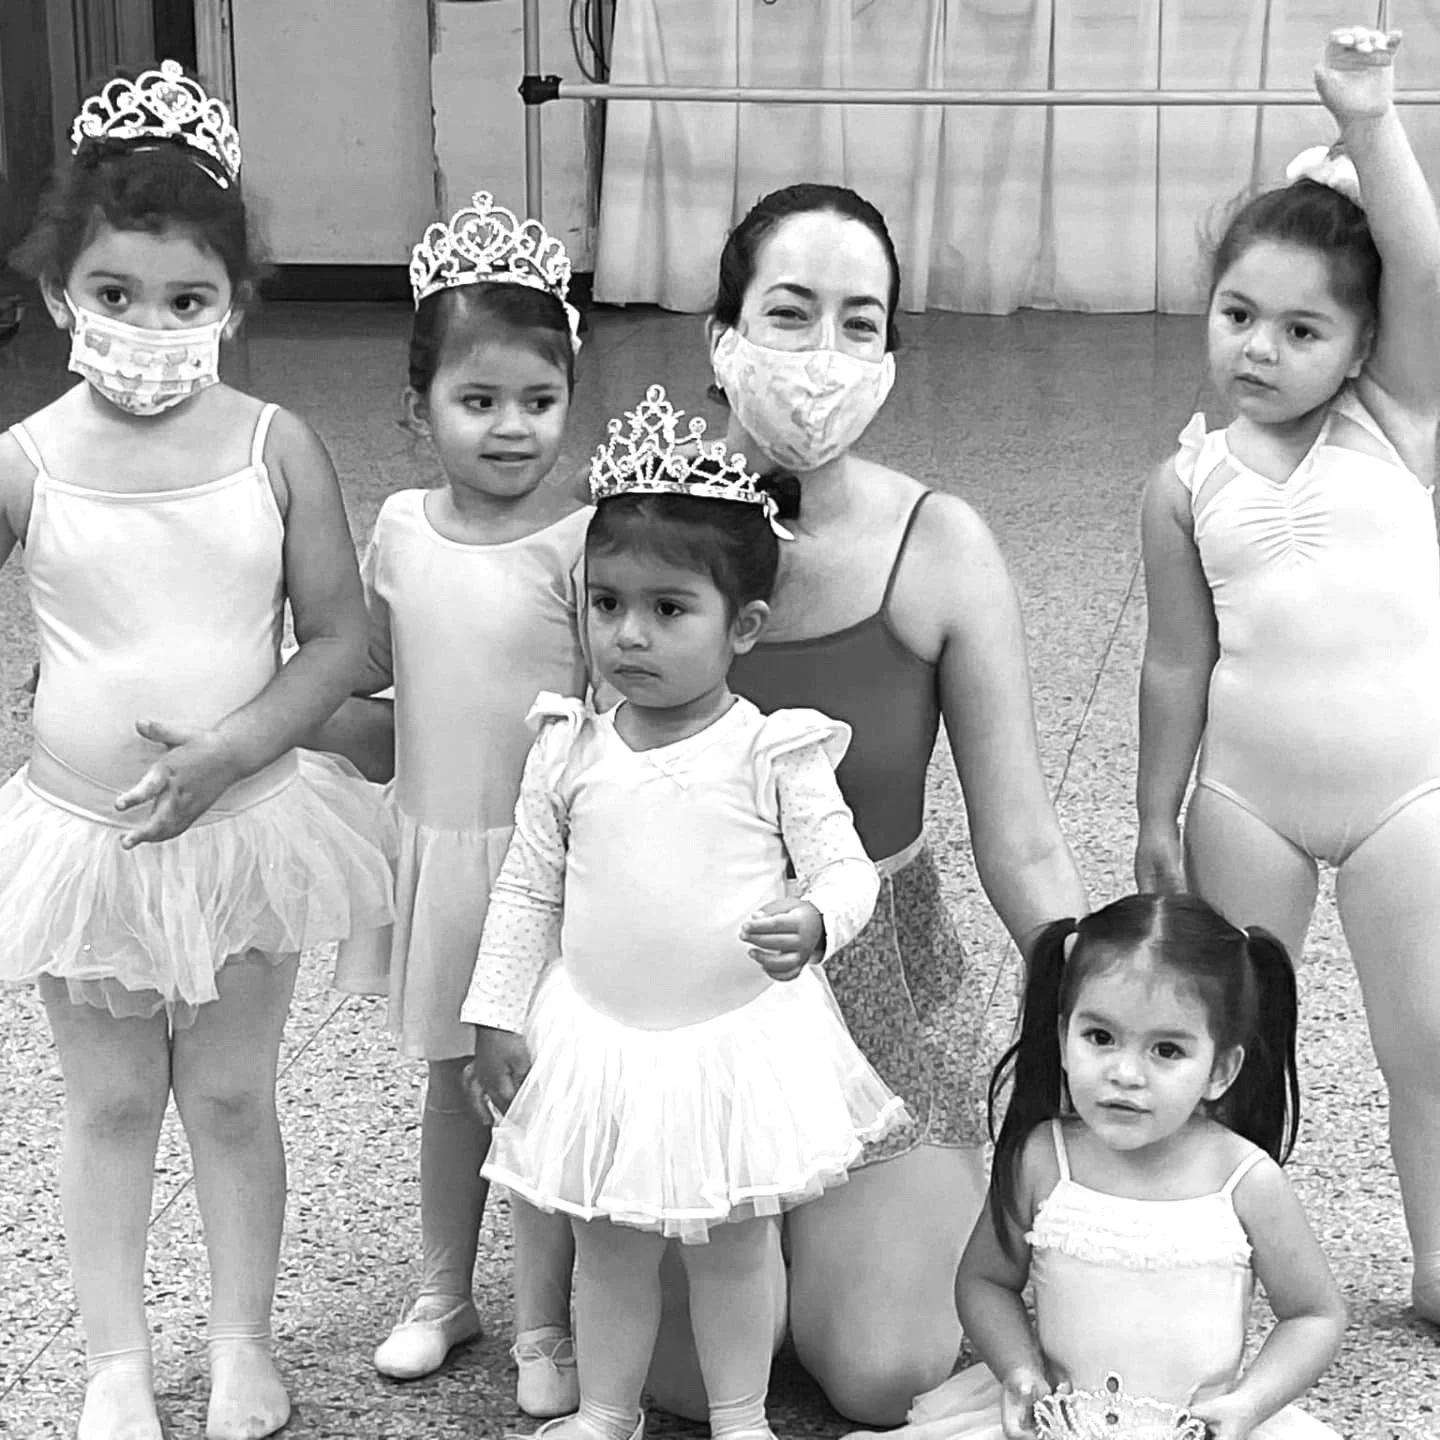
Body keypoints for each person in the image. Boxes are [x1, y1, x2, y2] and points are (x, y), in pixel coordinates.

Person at [638, 182, 1088, 1427]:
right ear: (721, 335)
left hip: (875, 990)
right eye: (790, 314)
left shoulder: (939, 547)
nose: (822, 358)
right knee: (679, 1378)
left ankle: (832, 1235)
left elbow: (1022, 835)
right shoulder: (638, 536)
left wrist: (1100, 1007)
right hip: (686, 988)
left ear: (892, 353)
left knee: (885, 1367)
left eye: (859, 323)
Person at [0, 62, 394, 1440]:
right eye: (114, 297)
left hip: (246, 825)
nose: (149, 328)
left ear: (233, 307)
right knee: (108, 1105)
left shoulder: (274, 446)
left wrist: (230, 750)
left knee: (230, 1095)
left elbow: (338, 639)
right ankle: (114, 1359)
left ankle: (240, 1342)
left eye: (187, 301)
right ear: (59, 296)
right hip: (87, 842)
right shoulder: (29, 456)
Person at [462, 383, 904, 1440]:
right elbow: (529, 885)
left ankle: (740, 1415)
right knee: (606, 1239)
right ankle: (607, 1412)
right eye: (606, 604)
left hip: (733, 1041)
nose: (629, 634)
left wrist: (815, 922)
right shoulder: (568, 743)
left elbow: (849, 870)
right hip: (603, 1038)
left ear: (742, 626)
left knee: (734, 1245)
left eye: (668, 610)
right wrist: (495, 1011)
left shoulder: (771, 749)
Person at [1135, 24, 1440, 1323]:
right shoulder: (1184, 483)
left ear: (1365, 344)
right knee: (1234, 1045)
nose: (1261, 347)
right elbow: (1173, 665)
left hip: (1406, 800)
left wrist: (1372, 124)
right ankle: (1216, 1257)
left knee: (1423, 1040)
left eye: (1303, 327)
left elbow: (1423, 266)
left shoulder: (1394, 423)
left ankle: (1435, 1258)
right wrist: (1156, 811)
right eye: (1238, 315)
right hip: (1245, 799)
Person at [316, 193, 587, 1415]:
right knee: (449, 1080)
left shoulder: (585, 544)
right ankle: (442, 1289)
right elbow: (368, 685)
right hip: (438, 849)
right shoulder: (400, 531)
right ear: (419, 410)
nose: (512, 427)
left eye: (538, 399)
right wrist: (253, 714)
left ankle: (544, 1323)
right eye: (478, 402)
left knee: (539, 1082)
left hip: (551, 870)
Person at [846, 892, 1347, 1440]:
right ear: (1064, 1038)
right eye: (1101, 1038)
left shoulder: (1245, 1181)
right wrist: (1018, 1372)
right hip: (1057, 1427)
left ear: (1221, 1069)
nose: (1126, 1073)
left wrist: (1249, 1404)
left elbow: (1313, 1314)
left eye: (1167, 1050)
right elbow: (986, 1281)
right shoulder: (1043, 1159)